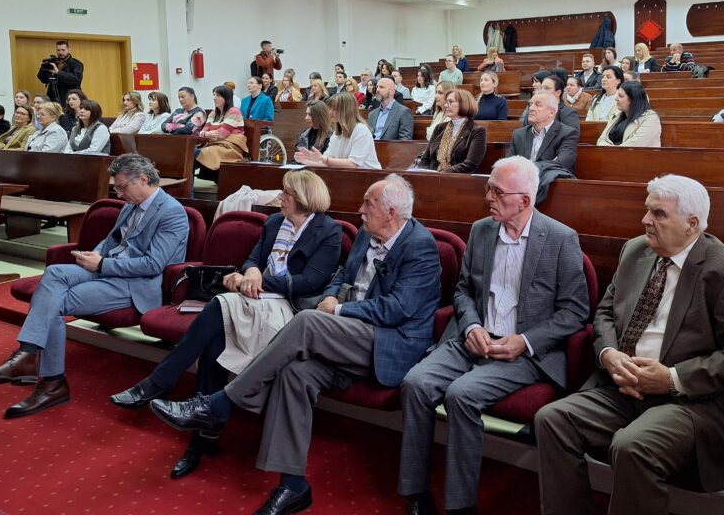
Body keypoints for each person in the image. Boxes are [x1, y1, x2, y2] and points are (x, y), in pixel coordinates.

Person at [149, 175, 441, 515]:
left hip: (388, 343)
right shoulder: (367, 232)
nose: (360, 209)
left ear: (391, 212)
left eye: (368, 204)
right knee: (294, 373)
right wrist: (333, 297)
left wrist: (339, 309)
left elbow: (398, 309)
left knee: (306, 321)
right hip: (346, 334)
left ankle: (219, 404)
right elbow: (341, 275)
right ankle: (293, 485)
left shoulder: (420, 246)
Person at [534, 175, 724, 515]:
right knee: (552, 419)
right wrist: (609, 354)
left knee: (632, 446)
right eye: (646, 211)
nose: (645, 220)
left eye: (658, 214)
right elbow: (605, 313)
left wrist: (671, 378)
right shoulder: (635, 251)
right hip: (622, 387)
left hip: (690, 402)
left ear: (692, 224)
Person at [110, 170, 342, 478]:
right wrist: (251, 272)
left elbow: (310, 281)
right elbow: (252, 259)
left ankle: (158, 386)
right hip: (256, 302)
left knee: (219, 305)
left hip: (291, 310)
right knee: (215, 342)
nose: (280, 197)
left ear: (303, 197)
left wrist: (256, 280)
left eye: (286, 193)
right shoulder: (274, 222)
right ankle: (203, 437)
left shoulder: (328, 231)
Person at [399, 156, 588, 515]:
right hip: (471, 338)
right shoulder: (482, 230)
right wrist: (471, 326)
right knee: (415, 383)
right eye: (489, 188)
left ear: (525, 200)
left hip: (522, 351)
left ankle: (460, 506)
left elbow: (575, 311)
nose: (488, 197)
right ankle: (416, 492)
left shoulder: (561, 238)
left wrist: (524, 341)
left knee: (461, 394)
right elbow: (463, 291)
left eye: (498, 192)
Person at [0, 154, 189, 418]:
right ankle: (30, 358)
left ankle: (48, 379)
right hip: (107, 270)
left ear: (143, 179)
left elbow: (153, 265)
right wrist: (95, 254)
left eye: (122, 187)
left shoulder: (171, 212)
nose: (119, 193)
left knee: (52, 302)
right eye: (116, 188)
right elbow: (111, 242)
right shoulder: (130, 206)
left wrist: (101, 264)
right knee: (54, 273)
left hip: (136, 285)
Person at [294, 91, 380, 169]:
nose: (330, 112)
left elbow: (352, 164)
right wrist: (305, 161)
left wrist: (322, 159)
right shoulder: (336, 134)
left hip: (369, 177)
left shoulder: (361, 130)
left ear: (346, 110)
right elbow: (326, 163)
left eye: (334, 109)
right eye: (330, 108)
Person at [413, 89, 487, 173]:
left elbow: (470, 164)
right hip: (433, 175)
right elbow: (426, 158)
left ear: (464, 104)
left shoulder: (477, 131)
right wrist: (424, 173)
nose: (445, 105)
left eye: (450, 102)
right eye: (446, 102)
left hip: (457, 178)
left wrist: (443, 173)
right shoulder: (439, 128)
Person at [509, 93, 578, 174]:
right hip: (520, 179)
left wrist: (527, 168)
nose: (531, 108)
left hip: (550, 180)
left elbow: (560, 164)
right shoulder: (518, 134)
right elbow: (508, 163)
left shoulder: (567, 133)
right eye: (530, 104)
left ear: (551, 112)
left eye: (537, 105)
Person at [194, 86, 247, 177]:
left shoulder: (234, 112)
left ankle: (187, 184)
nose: (214, 98)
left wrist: (207, 134)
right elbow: (202, 132)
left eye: (218, 95)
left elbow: (221, 135)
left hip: (229, 147)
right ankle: (185, 182)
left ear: (226, 98)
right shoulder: (213, 113)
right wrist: (207, 134)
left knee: (193, 154)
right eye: (214, 95)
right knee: (188, 153)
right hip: (214, 145)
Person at [596, 82, 661, 148]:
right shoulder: (617, 114)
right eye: (617, 95)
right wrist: (606, 147)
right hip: (610, 152)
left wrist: (611, 150)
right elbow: (601, 139)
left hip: (634, 154)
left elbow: (635, 145)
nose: (616, 98)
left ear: (633, 100)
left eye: (620, 96)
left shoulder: (651, 118)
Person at [36, 39, 83, 105]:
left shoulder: (76, 63)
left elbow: (76, 79)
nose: (60, 52)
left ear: (68, 50)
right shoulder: (53, 62)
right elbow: (44, 80)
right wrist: (42, 69)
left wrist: (58, 72)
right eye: (58, 50)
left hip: (69, 97)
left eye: (63, 50)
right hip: (52, 96)